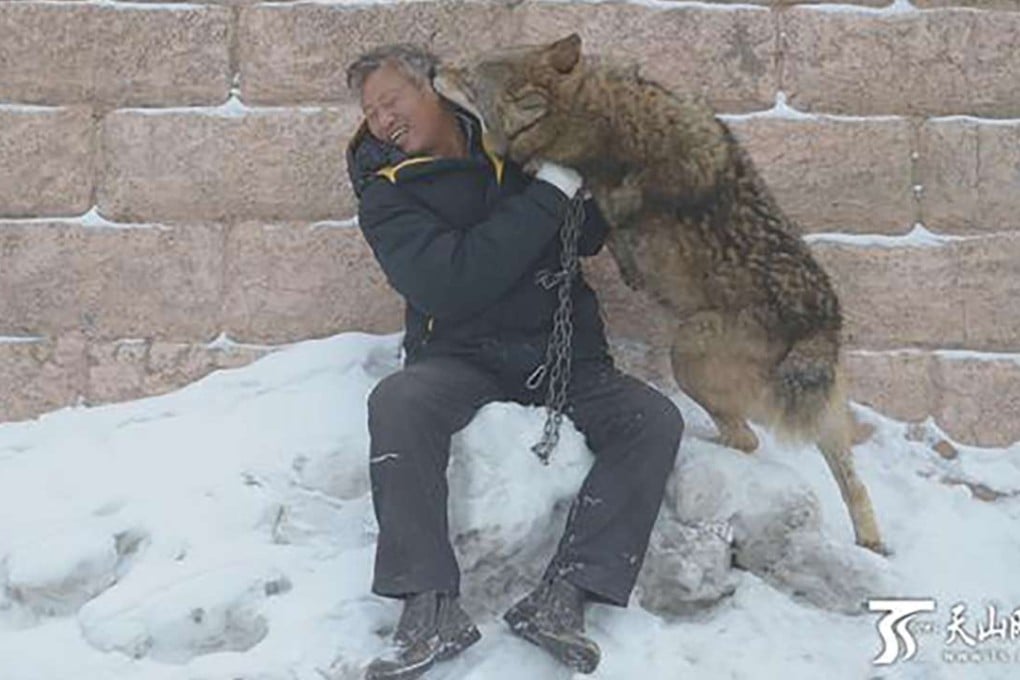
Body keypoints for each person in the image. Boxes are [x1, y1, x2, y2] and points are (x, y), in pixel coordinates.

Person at [344, 43, 685, 680]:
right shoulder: (386, 196)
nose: (382, 120)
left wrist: (583, 163)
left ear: (435, 89)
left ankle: (565, 598)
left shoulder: (515, 150)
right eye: (370, 112)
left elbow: (584, 237)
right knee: (398, 403)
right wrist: (551, 190)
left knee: (653, 420)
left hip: (560, 354)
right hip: (459, 356)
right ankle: (427, 606)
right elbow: (452, 284)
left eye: (391, 100)